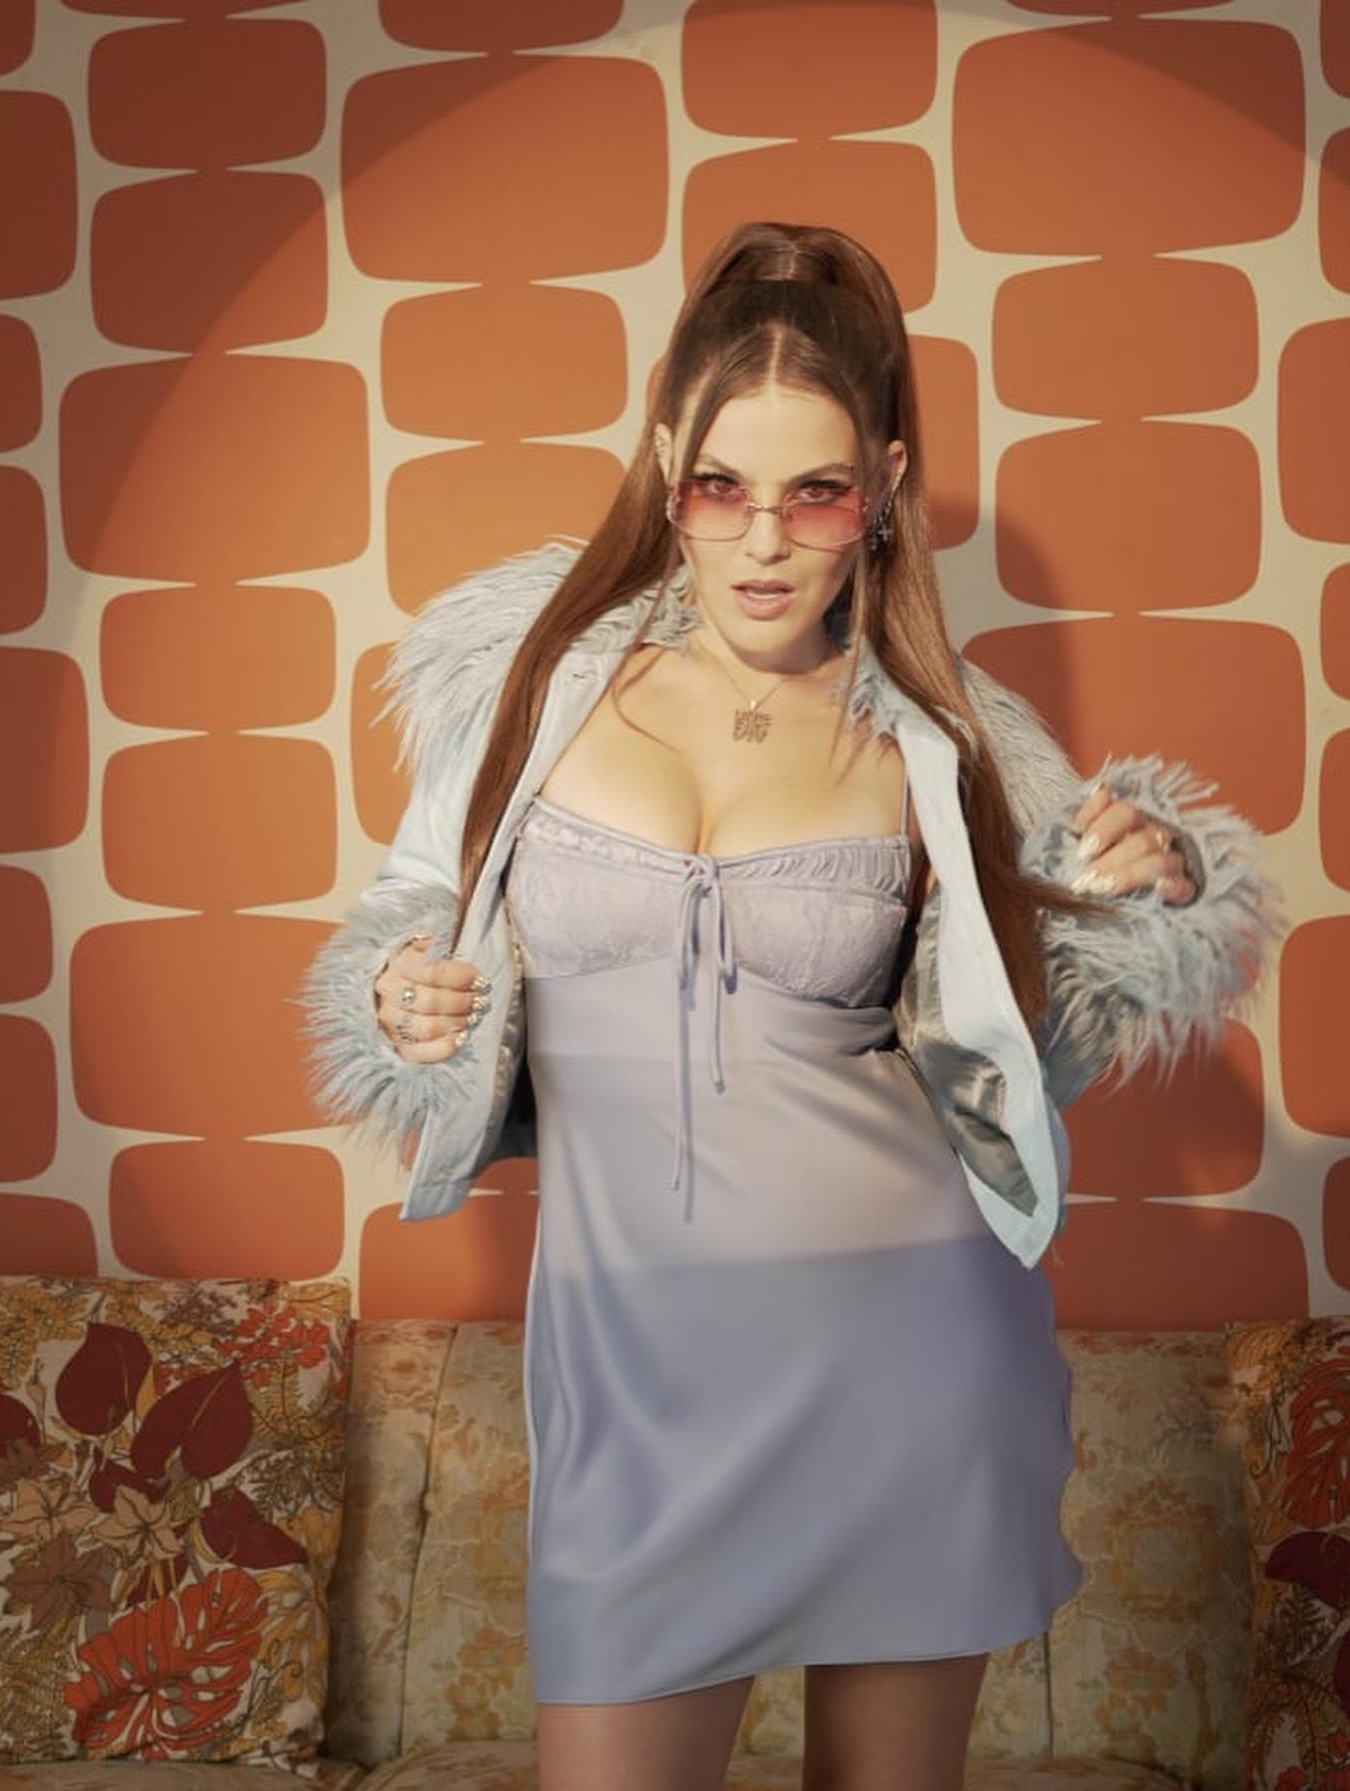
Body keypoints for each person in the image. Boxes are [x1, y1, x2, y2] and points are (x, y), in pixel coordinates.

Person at [302, 221, 1277, 1791]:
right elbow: (411, 911)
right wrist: (398, 996)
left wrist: (1151, 888)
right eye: (721, 487)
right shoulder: (529, 678)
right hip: (634, 1370)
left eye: (814, 492)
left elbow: (1045, 1039)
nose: (763, 540)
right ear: (664, 469)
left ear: (881, 485)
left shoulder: (948, 734)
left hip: (910, 1343)